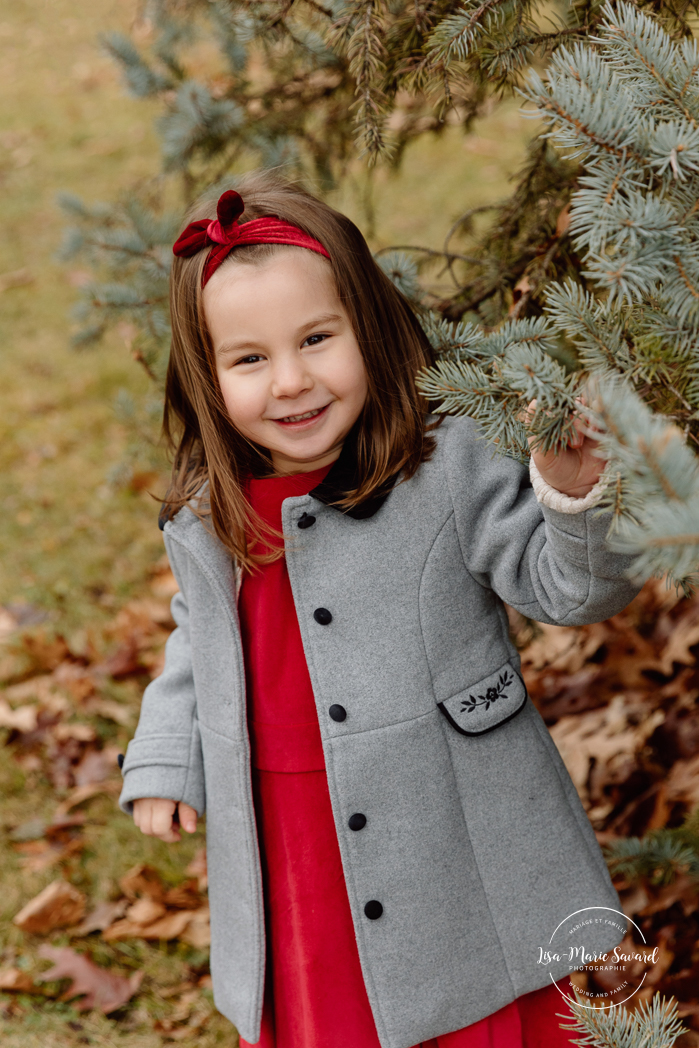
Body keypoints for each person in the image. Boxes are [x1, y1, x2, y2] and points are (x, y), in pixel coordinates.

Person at [119, 171, 642, 1048]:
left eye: (318, 338)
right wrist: (168, 756)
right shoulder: (212, 505)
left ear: (369, 324)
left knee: (465, 1000)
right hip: (289, 832)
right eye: (250, 359)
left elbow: (571, 591)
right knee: (333, 1011)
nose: (290, 382)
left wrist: (570, 496)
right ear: (208, 377)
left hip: (447, 826)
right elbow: (198, 635)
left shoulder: (445, 465)